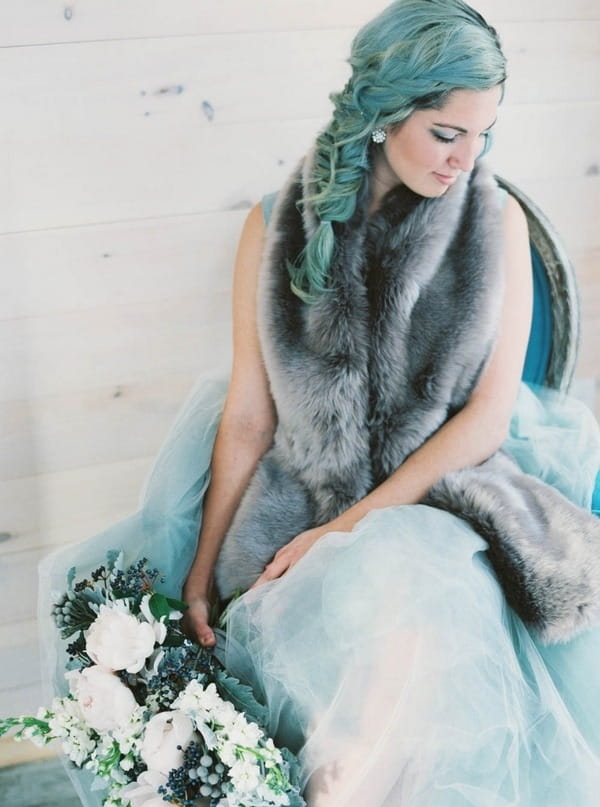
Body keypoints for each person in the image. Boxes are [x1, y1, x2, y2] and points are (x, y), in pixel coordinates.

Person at [40, 1, 600, 805]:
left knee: (408, 585)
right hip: (299, 490)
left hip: (442, 493)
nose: (466, 160)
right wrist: (200, 572)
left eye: (485, 135)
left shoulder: (495, 217)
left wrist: (343, 530)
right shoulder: (272, 226)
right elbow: (249, 417)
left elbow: (483, 418)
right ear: (381, 114)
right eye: (446, 133)